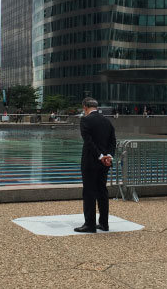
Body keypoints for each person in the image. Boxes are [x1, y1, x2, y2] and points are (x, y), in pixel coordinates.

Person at [74, 97, 116, 234]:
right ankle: (104, 223)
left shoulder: (85, 120)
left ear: (85, 107)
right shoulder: (107, 121)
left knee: (89, 192)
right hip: (105, 163)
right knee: (102, 191)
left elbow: (88, 142)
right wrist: (108, 156)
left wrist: (99, 156)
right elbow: (112, 141)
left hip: (91, 162)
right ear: (96, 107)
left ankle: (89, 224)